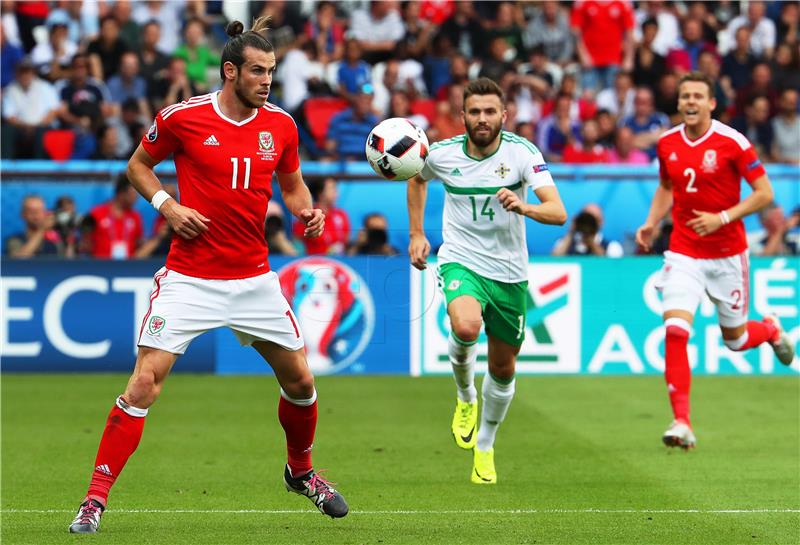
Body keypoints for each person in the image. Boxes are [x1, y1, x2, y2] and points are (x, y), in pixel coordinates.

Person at [67, 19, 348, 534]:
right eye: (258, 71)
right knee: (143, 385)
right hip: (189, 277)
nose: (267, 81)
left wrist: (309, 211)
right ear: (230, 70)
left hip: (253, 279)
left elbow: (293, 184)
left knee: (302, 382)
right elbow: (137, 166)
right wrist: (167, 205)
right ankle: (94, 499)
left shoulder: (281, 126)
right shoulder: (183, 118)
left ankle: (301, 472)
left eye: (272, 72)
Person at [407, 78, 567, 484]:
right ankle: (465, 398)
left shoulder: (522, 154)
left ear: (504, 115)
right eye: (474, 111)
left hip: (510, 273)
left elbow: (558, 212)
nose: (482, 119)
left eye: (489, 111)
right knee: (465, 325)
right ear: (462, 116)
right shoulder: (440, 154)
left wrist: (524, 206)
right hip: (461, 260)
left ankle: (486, 444)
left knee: (503, 366)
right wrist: (417, 233)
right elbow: (416, 177)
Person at [635, 72, 795, 451]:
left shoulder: (732, 143)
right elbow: (667, 186)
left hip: (727, 255)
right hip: (684, 251)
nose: (690, 101)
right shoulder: (667, 142)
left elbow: (764, 193)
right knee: (675, 329)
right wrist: (651, 222)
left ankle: (769, 330)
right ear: (678, 103)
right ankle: (682, 421)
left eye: (698, 96)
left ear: (711, 104)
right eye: (685, 95)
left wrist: (722, 218)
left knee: (736, 341)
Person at [83, 174, 144, 258]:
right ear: (121, 193)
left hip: (128, 268)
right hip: (100, 266)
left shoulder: (135, 216)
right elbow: (85, 243)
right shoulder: (97, 213)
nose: (136, 197)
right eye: (134, 193)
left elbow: (139, 243)